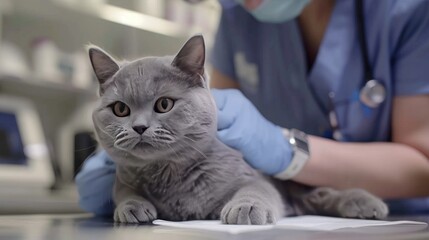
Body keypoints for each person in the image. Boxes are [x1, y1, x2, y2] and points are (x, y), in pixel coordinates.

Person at [76, 0, 429, 216]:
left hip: (398, 219)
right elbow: (225, 132)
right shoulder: (238, 14)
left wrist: (286, 150)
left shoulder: (406, 10)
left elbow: (422, 166)